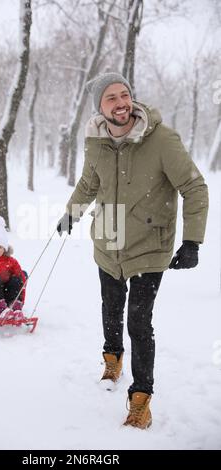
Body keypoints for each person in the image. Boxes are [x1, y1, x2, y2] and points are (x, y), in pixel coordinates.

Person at [57, 72, 209, 429]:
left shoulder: (161, 140)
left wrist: (192, 241)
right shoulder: (96, 140)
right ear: (100, 107)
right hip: (107, 241)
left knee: (139, 322)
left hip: (148, 247)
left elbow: (194, 187)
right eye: (111, 97)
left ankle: (141, 398)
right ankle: (112, 360)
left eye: (124, 94)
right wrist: (71, 214)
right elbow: (89, 182)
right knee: (110, 309)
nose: (121, 102)